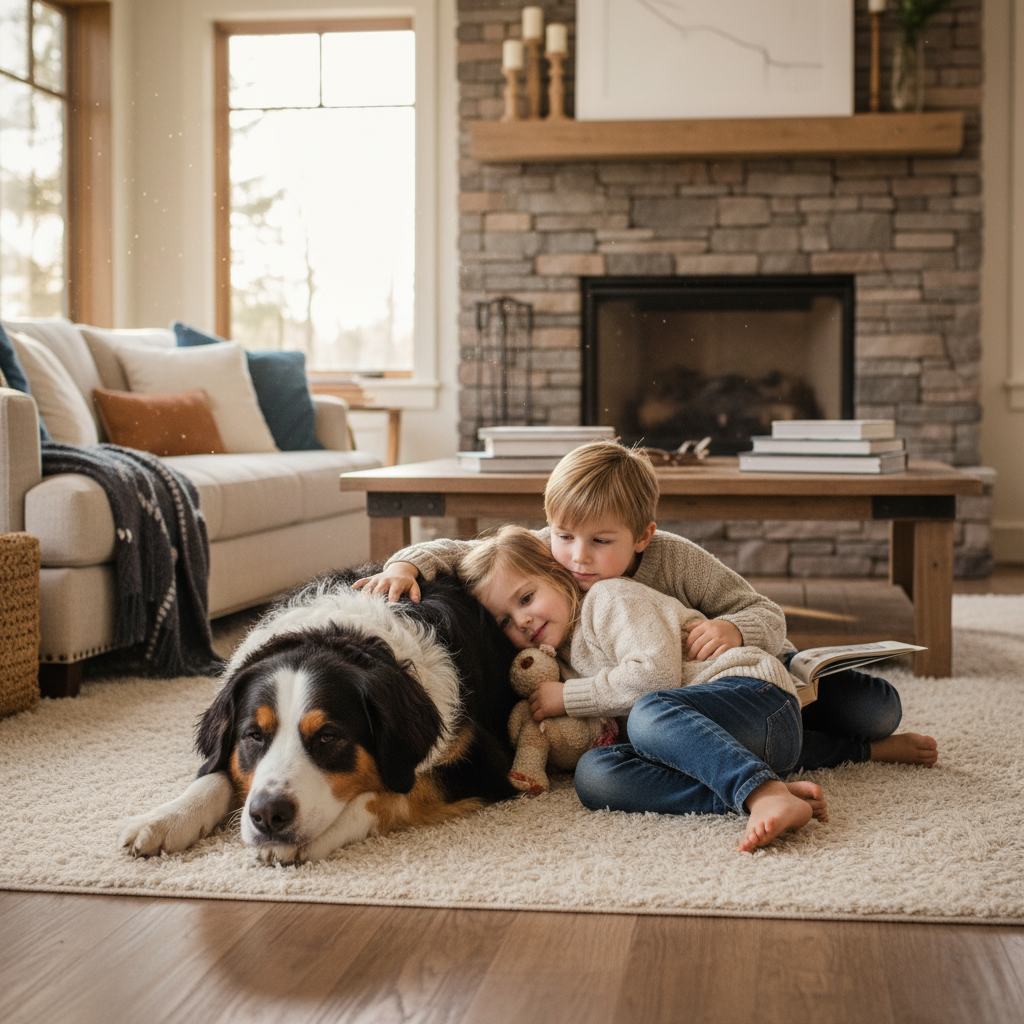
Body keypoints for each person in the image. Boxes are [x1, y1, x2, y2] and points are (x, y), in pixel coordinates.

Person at [354, 439, 937, 772]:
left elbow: (764, 612)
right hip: (678, 700)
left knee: (875, 708)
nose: (577, 557)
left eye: (600, 541)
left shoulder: (674, 559)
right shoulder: (549, 555)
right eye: (563, 535)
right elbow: (465, 553)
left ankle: (821, 700)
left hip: (742, 668)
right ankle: (851, 752)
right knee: (687, 734)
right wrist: (407, 564)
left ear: (642, 536)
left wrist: (733, 630)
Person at [458, 524, 827, 853]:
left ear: (556, 572)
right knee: (594, 774)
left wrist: (568, 698)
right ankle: (750, 794)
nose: (521, 620)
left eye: (526, 598)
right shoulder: (556, 659)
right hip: (721, 744)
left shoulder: (609, 599)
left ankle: (764, 793)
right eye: (505, 620)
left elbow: (654, 679)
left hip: (753, 698)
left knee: (648, 712)